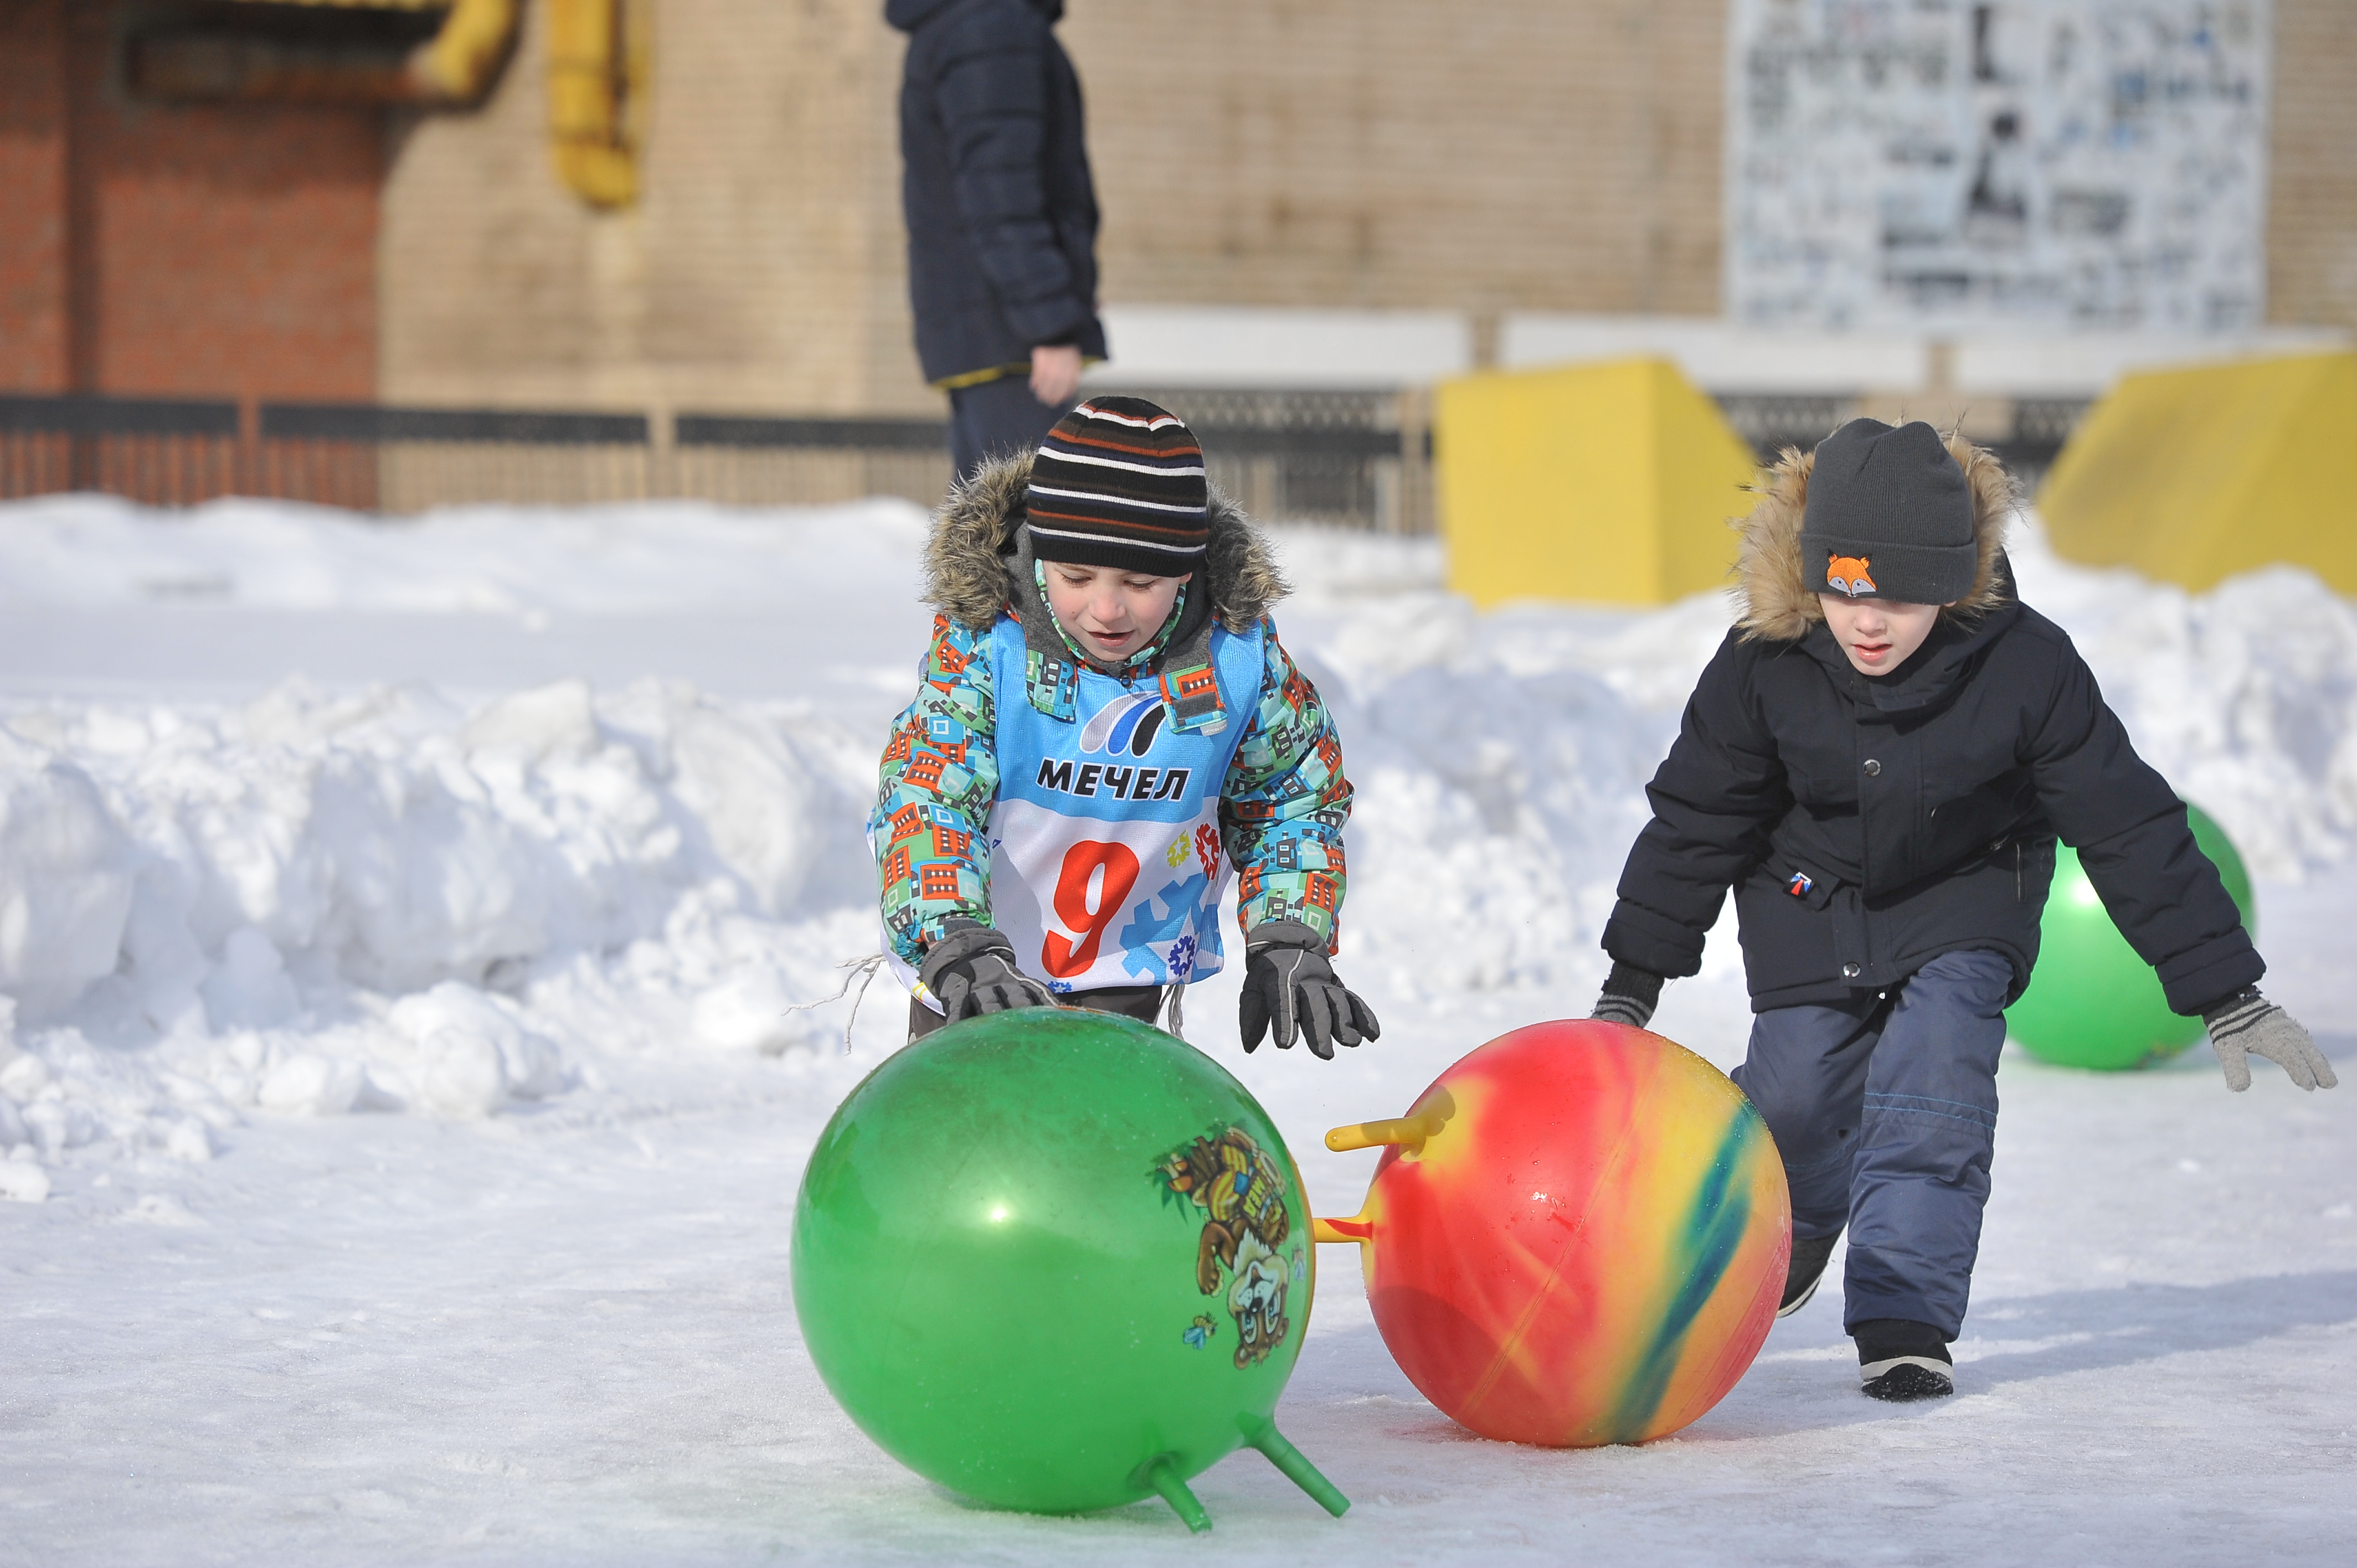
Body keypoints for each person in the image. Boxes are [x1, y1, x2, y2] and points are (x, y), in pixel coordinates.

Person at [1589, 419, 2337, 1402]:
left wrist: (2224, 990)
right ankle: (1796, 1225)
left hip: (1965, 896)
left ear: (1952, 580)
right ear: (1811, 571)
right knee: (1798, 1094)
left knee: (1931, 1089)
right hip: (1808, 899)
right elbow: (1698, 821)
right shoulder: (1762, 662)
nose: (1867, 620)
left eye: (1898, 596)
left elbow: (2126, 820)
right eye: (1845, 588)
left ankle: (1904, 1314)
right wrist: (1631, 983)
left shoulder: (2027, 668)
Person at [871, 395, 1381, 1058]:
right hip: (975, 966)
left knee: (1102, 1138)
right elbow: (926, 794)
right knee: (966, 1134)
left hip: (1125, 963)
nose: (1105, 609)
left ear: (1187, 568)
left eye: (1140, 581)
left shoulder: (1235, 662)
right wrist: (952, 937)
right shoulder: (987, 652)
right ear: (1037, 560)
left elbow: (1293, 798)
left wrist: (1287, 933)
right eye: (1075, 576)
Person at [886, 0, 1108, 482]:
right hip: (1011, 337)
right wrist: (1048, 323)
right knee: (1026, 538)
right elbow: (999, 192)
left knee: (991, 541)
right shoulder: (991, 29)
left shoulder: (973, 24)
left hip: (989, 330)